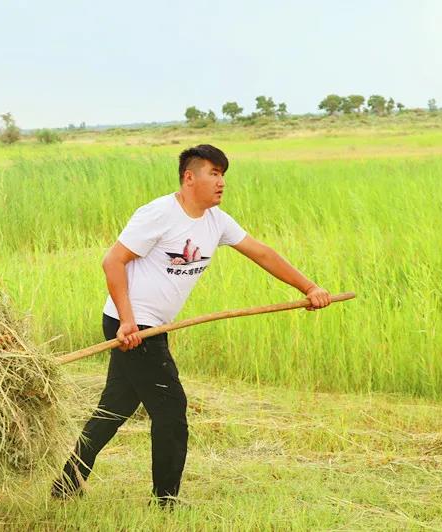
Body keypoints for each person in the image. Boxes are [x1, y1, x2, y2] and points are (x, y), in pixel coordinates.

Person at [51, 144, 332, 508]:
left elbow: (261, 252)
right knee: (171, 409)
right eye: (213, 174)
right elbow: (112, 262)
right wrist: (127, 320)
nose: (221, 182)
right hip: (132, 328)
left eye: (223, 175)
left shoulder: (217, 221)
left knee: (115, 407)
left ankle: (66, 485)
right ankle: (165, 500)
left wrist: (308, 287)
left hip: (152, 328)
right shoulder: (158, 214)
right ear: (189, 177)